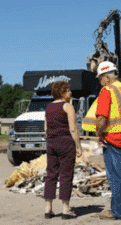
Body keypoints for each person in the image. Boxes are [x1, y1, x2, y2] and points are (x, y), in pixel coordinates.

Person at [82, 61, 121, 220]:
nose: (99, 81)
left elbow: (101, 118)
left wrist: (100, 135)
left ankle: (118, 212)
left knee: (115, 177)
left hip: (113, 139)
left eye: (100, 78)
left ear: (107, 78)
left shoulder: (107, 91)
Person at [44, 81, 82, 220]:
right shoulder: (68, 106)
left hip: (51, 143)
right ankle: (66, 209)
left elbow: (46, 128)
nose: (70, 92)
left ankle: (48, 208)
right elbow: (73, 129)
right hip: (66, 143)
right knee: (66, 175)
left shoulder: (48, 107)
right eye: (68, 90)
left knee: (51, 174)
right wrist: (79, 146)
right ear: (62, 93)